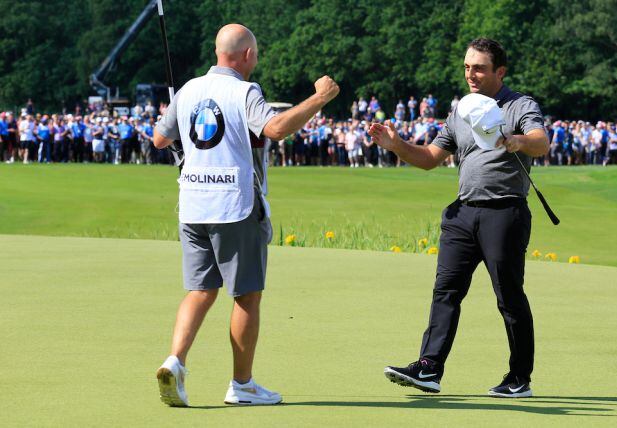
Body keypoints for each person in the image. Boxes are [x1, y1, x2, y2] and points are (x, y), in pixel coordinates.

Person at [152, 23, 338, 407]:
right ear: (248, 55)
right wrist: (318, 98)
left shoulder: (187, 90)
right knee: (246, 295)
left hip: (193, 203)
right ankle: (242, 385)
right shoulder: (245, 90)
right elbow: (275, 128)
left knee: (200, 290)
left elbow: (159, 138)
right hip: (233, 205)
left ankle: (176, 360)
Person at [369, 38, 548, 398]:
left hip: (505, 210)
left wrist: (516, 141)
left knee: (508, 296)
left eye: (479, 67)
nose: (471, 74)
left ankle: (518, 378)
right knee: (445, 291)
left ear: (500, 71)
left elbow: (541, 141)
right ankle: (429, 368)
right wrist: (396, 146)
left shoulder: (519, 105)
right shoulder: (462, 109)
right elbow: (430, 157)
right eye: (467, 66)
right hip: (463, 212)